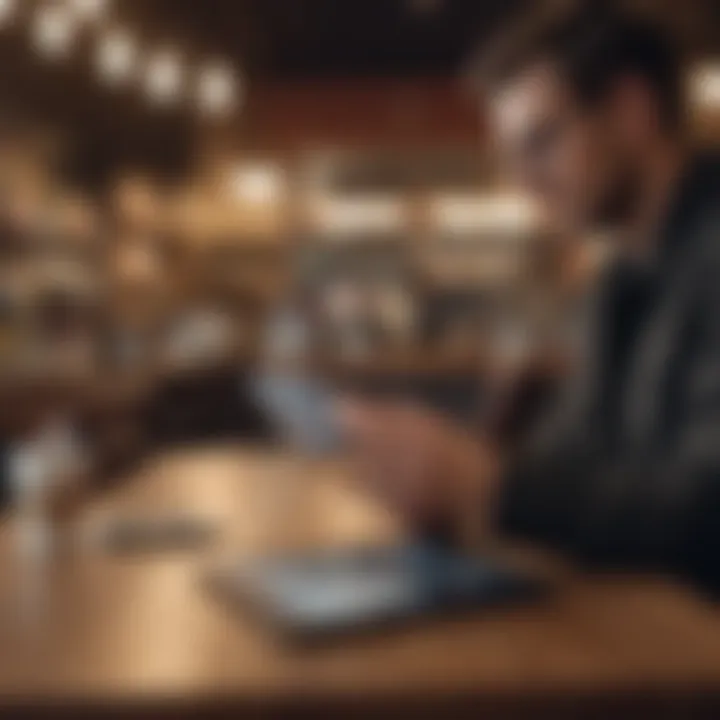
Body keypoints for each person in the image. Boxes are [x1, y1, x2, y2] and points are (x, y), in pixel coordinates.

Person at [340, 5, 720, 595]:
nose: (523, 181)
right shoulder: (619, 281)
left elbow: (704, 514)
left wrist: (489, 489)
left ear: (632, 111)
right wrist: (450, 476)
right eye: (511, 156)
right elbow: (571, 458)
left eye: (541, 141)